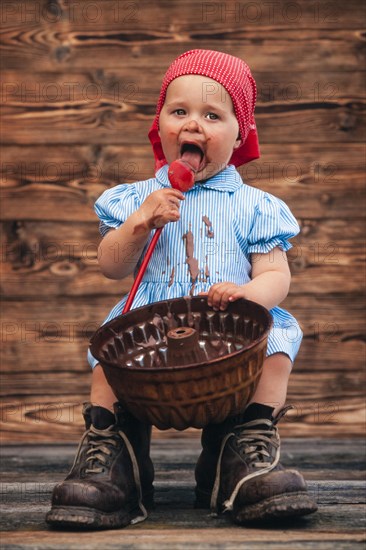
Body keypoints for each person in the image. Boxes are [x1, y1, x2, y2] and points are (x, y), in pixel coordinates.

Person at [46, 49, 317, 529]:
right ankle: (116, 459)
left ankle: (242, 452)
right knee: (107, 364)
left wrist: (248, 295)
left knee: (275, 348)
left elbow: (277, 275)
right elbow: (110, 266)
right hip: (154, 327)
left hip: (228, 326)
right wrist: (138, 224)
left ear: (240, 136)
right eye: (179, 111)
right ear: (160, 127)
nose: (193, 125)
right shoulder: (136, 199)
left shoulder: (255, 205)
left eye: (212, 115)